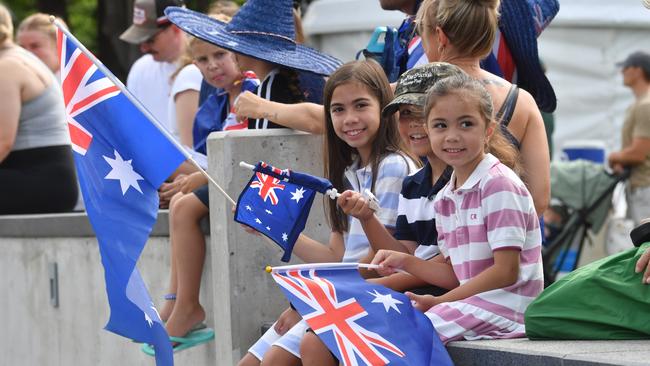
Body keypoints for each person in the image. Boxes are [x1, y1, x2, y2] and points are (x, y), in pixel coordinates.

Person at [238, 60, 418, 366]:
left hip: (364, 294)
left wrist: (307, 300)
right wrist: (275, 229)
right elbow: (337, 257)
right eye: (338, 110)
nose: (350, 119)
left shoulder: (393, 166)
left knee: (274, 361)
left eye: (361, 105)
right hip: (341, 289)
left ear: (383, 108)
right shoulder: (349, 171)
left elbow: (383, 260)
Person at [371, 74, 542, 346]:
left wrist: (439, 301)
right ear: (428, 129)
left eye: (466, 124)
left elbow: (506, 272)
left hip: (508, 309)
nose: (452, 136)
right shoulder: (446, 196)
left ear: (488, 130)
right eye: (440, 125)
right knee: (376, 329)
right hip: (471, 304)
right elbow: (456, 273)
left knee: (402, 336)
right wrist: (405, 261)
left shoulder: (498, 184)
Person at [149, 28, 259, 347]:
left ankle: (187, 307)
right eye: (202, 60)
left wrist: (198, 176)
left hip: (246, 180)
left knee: (183, 206)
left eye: (220, 55)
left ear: (237, 54)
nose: (212, 66)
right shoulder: (221, 100)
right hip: (227, 176)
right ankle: (175, 299)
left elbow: (241, 153)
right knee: (181, 200)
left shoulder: (250, 90)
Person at [336, 62, 465, 297]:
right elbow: (402, 254)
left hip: (443, 297)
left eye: (423, 111)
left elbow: (456, 267)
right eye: (405, 113)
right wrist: (367, 218)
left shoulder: (466, 179)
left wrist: (359, 289)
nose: (414, 123)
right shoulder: (413, 183)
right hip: (413, 291)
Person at [415, 0, 550, 216]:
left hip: (415, 243)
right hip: (501, 241)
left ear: (440, 36)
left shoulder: (403, 94)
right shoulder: (522, 101)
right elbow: (539, 199)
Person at [166, 0, 341, 131]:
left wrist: (259, 107)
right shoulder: (303, 78)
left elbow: (327, 120)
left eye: (232, 46)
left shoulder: (269, 89)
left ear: (249, 51)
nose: (232, 52)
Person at [0, 3, 78, 215]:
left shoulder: (7, 67)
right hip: (43, 177)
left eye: (35, 45)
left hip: (42, 181)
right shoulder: (14, 60)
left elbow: (2, 142)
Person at [120, 0, 187, 134]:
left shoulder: (206, 67)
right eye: (141, 41)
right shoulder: (140, 69)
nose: (144, 48)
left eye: (150, 40)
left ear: (175, 28)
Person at [608, 51, 650, 226]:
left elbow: (638, 153)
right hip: (639, 186)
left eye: (625, 68)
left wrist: (613, 157)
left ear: (638, 70)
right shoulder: (639, 104)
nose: (621, 72)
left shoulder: (645, 105)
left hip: (645, 188)